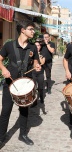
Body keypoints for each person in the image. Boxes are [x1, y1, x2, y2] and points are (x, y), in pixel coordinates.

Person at [0, 20, 41, 148]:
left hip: (25, 85)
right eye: (31, 29)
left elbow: (35, 62)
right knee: (5, 111)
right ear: (23, 30)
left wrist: (37, 66)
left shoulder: (33, 47)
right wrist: (3, 69)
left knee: (24, 111)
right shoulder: (9, 45)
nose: (33, 31)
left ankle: (22, 134)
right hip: (10, 83)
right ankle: (1, 137)